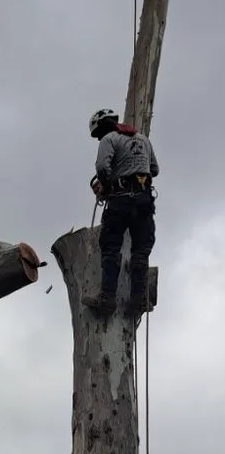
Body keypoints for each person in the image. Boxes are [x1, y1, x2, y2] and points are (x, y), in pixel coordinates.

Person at [83, 108, 159, 317]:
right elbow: (154, 169)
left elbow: (101, 167)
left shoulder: (109, 139)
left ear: (102, 127)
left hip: (121, 201)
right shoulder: (143, 139)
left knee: (110, 247)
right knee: (141, 252)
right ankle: (138, 300)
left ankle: (108, 299)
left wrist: (107, 186)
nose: (99, 138)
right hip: (144, 201)